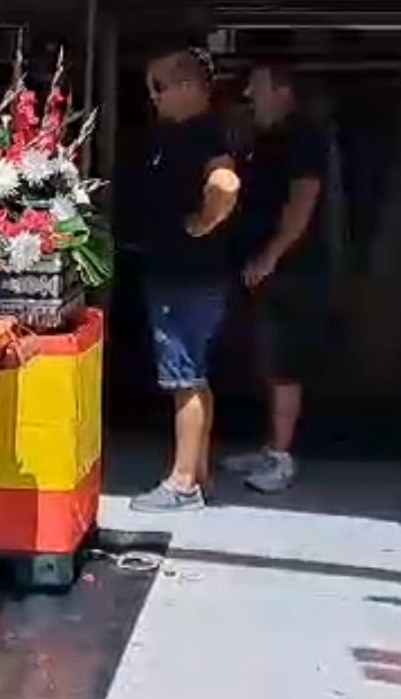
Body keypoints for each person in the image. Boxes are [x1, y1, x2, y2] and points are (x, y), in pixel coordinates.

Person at [128, 47, 242, 514]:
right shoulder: (176, 133)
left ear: (189, 88)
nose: (152, 98)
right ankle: (199, 472)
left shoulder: (202, 136)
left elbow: (227, 185)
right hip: (184, 273)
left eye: (159, 87)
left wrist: (206, 220)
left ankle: (181, 484)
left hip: (187, 276)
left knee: (184, 378)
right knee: (194, 377)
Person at [219, 63, 332, 494]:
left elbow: (302, 204)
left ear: (283, 89)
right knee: (268, 359)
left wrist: (270, 256)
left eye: (258, 85)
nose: (249, 92)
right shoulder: (271, 136)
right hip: (271, 266)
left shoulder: (303, 137)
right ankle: (270, 447)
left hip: (293, 269)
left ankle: (282, 457)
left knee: (284, 363)